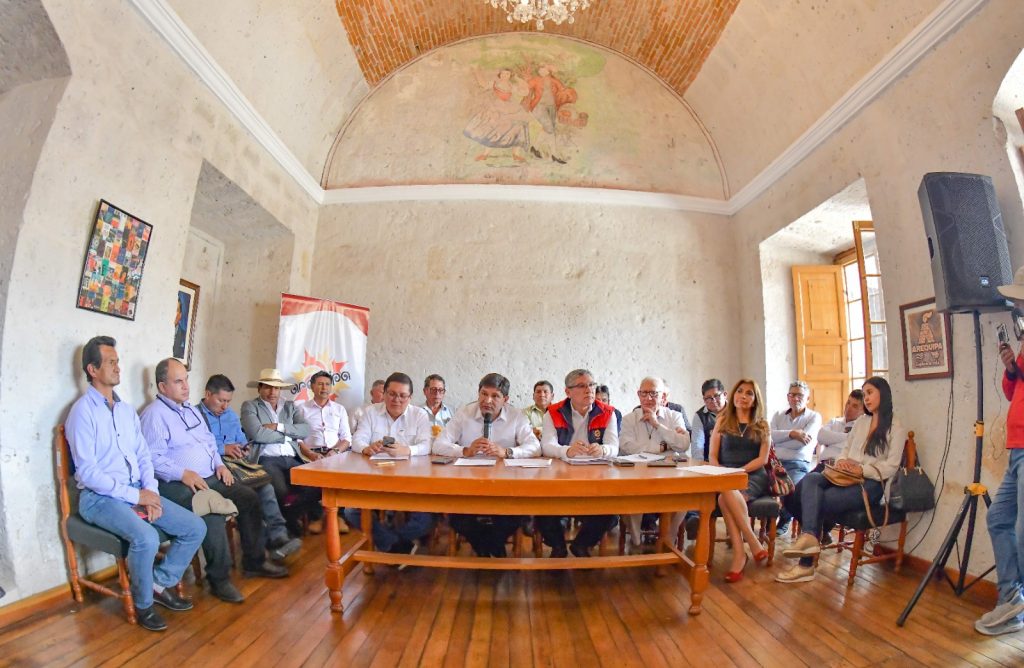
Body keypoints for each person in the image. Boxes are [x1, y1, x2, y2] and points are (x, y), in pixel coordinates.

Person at [65, 336, 206, 632]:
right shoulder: (82, 412)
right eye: (111, 362)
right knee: (146, 538)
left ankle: (157, 583)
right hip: (99, 498)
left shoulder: (126, 410)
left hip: (136, 490)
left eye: (118, 361)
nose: (118, 367)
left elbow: (143, 455)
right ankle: (143, 605)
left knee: (195, 527)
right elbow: (88, 473)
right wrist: (136, 496)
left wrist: (150, 492)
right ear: (92, 369)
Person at [141, 359, 288, 605]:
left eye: (186, 380)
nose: (186, 386)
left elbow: (209, 442)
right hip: (178, 485)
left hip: (210, 476)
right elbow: (150, 458)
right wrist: (182, 473)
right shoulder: (154, 415)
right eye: (178, 381)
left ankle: (254, 561)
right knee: (211, 512)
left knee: (249, 498)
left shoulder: (190, 410)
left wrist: (219, 465)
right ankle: (219, 579)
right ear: (162, 387)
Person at [777, 376, 906, 584]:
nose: (866, 398)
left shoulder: (895, 427)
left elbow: (891, 467)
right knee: (811, 480)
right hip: (845, 475)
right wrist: (843, 461)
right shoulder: (862, 422)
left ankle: (806, 564)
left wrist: (861, 468)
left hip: (870, 484)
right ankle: (810, 538)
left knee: (818, 500)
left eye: (870, 393)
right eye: (864, 394)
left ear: (883, 394)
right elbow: (845, 450)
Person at [433, 373, 540, 556]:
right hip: (468, 485)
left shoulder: (516, 416)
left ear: (505, 399)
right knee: (457, 518)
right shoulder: (465, 413)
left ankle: (486, 550)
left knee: (513, 518)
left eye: (495, 396)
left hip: (504, 485)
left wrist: (507, 452)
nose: (487, 400)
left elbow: (535, 447)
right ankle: (492, 550)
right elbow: (438, 444)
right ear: (478, 393)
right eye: (484, 394)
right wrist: (465, 451)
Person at [198, 374, 302, 558]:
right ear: (208, 394)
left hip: (238, 463)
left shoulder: (230, 415)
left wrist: (244, 447)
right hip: (214, 467)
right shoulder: (195, 416)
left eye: (228, 401)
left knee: (266, 486)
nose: (225, 406)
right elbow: (195, 447)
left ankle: (278, 536)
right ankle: (263, 544)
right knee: (252, 494)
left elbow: (241, 438)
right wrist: (223, 448)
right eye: (221, 400)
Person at [975, 271, 1024, 635]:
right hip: (1016, 449)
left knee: (1022, 532)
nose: (1017, 304)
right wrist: (1011, 368)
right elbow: (1012, 393)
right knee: (999, 520)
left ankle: (1017, 602)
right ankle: (1011, 600)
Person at [347, 372, 434, 555]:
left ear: (410, 397)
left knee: (426, 517)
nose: (396, 400)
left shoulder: (419, 415)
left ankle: (392, 541)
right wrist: (366, 448)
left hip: (411, 481)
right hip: (376, 479)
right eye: (392, 394)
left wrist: (408, 450)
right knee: (351, 511)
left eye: (402, 395)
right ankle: (397, 545)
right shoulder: (370, 412)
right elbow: (356, 440)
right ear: (384, 393)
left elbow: (427, 445)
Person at [538, 369, 619, 557]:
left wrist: (603, 450)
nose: (589, 390)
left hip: (595, 478)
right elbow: (547, 446)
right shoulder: (553, 412)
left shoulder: (608, 412)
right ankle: (558, 547)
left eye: (591, 385)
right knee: (541, 507)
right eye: (582, 386)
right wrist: (566, 450)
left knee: (611, 511)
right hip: (559, 477)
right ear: (568, 392)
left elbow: (614, 447)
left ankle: (581, 545)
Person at [240, 368, 321, 535]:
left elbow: (305, 430)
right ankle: (289, 525)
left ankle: (290, 517)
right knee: (280, 490)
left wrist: (279, 427)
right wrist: (288, 435)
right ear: (259, 388)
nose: (272, 392)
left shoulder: (290, 406)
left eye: (276, 388)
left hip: (292, 457)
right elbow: (257, 434)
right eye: (267, 387)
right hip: (267, 458)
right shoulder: (250, 406)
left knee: (315, 487)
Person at [709, 378, 770, 582]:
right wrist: (723, 472)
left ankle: (740, 555)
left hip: (752, 475)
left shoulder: (762, 425)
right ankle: (751, 544)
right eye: (740, 391)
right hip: (725, 475)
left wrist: (738, 471)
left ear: (755, 400)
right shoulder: (722, 421)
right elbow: (712, 456)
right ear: (733, 394)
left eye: (749, 393)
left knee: (724, 497)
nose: (743, 396)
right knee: (725, 492)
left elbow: (763, 459)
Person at [619, 377, 690, 552]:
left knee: (685, 494)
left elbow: (683, 445)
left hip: (668, 473)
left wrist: (657, 425)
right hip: (637, 473)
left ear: (663, 397)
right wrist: (662, 447)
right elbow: (626, 447)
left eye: (653, 394)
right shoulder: (629, 419)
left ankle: (668, 540)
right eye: (644, 393)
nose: (648, 398)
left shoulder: (674, 416)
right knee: (627, 495)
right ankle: (636, 541)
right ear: (638, 395)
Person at [771, 380, 822, 534]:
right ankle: (768, 519)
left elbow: (801, 445)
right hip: (774, 463)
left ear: (808, 398)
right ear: (788, 397)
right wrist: (793, 433)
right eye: (792, 395)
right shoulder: (778, 415)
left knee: (791, 488)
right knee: (759, 484)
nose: (795, 398)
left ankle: (785, 519)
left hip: (798, 464)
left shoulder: (814, 417)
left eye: (800, 395)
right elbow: (770, 438)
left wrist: (781, 440)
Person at [298, 371, 352, 456]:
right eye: (320, 384)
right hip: (310, 455)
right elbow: (297, 439)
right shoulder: (302, 409)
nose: (324, 388)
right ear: (312, 387)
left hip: (336, 454)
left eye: (327, 384)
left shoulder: (339, 409)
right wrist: (311, 454)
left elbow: (346, 438)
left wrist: (335, 452)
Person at [816, 390, 865, 471]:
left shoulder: (862, 428)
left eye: (855, 406)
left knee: (811, 478)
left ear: (863, 411)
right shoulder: (835, 421)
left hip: (841, 469)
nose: (848, 408)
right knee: (806, 478)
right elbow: (820, 436)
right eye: (848, 402)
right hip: (823, 465)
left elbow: (853, 448)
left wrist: (831, 440)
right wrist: (849, 436)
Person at [691, 379, 727, 463]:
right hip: (709, 463)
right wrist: (700, 466)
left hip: (733, 462)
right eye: (708, 398)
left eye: (716, 396)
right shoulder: (700, 416)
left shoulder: (736, 411)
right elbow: (697, 446)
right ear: (704, 400)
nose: (713, 400)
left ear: (725, 395)